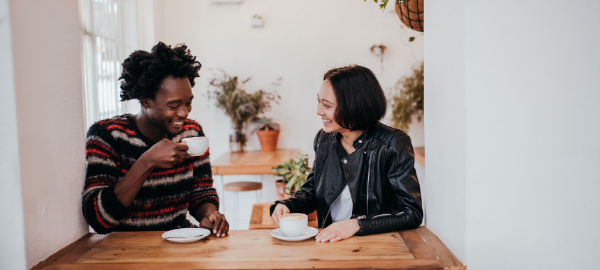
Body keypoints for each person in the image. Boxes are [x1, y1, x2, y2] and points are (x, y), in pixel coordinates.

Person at [82, 42, 229, 237]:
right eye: (173, 105)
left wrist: (210, 214)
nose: (184, 112)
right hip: (125, 253)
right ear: (145, 101)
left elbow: (202, 191)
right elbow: (99, 220)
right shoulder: (107, 136)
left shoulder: (192, 133)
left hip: (180, 244)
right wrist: (147, 162)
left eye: (188, 102)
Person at [270, 65, 423, 242]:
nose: (319, 111)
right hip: (331, 244)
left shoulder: (392, 143)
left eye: (327, 105)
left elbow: (411, 212)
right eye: (319, 101)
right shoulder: (323, 140)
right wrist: (288, 205)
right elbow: (312, 190)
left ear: (354, 106)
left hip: (378, 247)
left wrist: (358, 223)